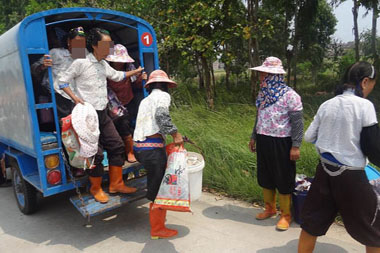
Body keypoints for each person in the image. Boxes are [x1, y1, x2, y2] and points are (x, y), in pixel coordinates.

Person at [298, 62, 380, 253]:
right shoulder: (365, 106)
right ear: (365, 81)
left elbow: (309, 136)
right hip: (351, 177)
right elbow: (373, 147)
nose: (370, 90)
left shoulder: (328, 103)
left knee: (312, 223)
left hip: (324, 172)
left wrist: (331, 136)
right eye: (372, 85)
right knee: (373, 228)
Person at [58, 28, 144, 203]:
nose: (109, 48)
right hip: (88, 115)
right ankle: (95, 188)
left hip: (103, 113)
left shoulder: (103, 64)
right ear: (95, 45)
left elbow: (117, 75)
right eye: (106, 44)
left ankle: (116, 184)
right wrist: (75, 98)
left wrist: (134, 73)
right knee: (95, 154)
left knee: (117, 145)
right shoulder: (80, 62)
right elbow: (62, 81)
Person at [249, 56, 304, 231]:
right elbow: (259, 117)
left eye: (263, 74)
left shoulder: (291, 96)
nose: (261, 77)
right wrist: (254, 136)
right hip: (264, 138)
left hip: (282, 142)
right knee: (265, 176)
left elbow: (297, 123)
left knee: (283, 178)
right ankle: (270, 208)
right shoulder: (263, 94)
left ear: (274, 76)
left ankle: (286, 214)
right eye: (261, 74)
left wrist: (296, 145)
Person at [133, 69, 183, 239]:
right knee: (159, 189)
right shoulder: (163, 96)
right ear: (166, 86)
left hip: (139, 148)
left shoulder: (145, 100)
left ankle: (158, 223)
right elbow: (162, 116)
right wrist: (175, 134)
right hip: (152, 149)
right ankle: (157, 229)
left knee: (156, 184)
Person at [31, 26, 87, 120]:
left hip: (76, 93)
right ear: (69, 41)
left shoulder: (84, 54)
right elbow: (33, 68)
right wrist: (43, 66)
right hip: (57, 93)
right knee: (66, 121)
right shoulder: (55, 53)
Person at [106, 44, 148, 163]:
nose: (119, 63)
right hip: (111, 104)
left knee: (128, 126)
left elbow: (136, 84)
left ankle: (131, 152)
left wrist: (141, 78)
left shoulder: (129, 68)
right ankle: (124, 153)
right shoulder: (107, 69)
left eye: (121, 61)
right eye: (117, 61)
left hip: (128, 101)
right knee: (117, 129)